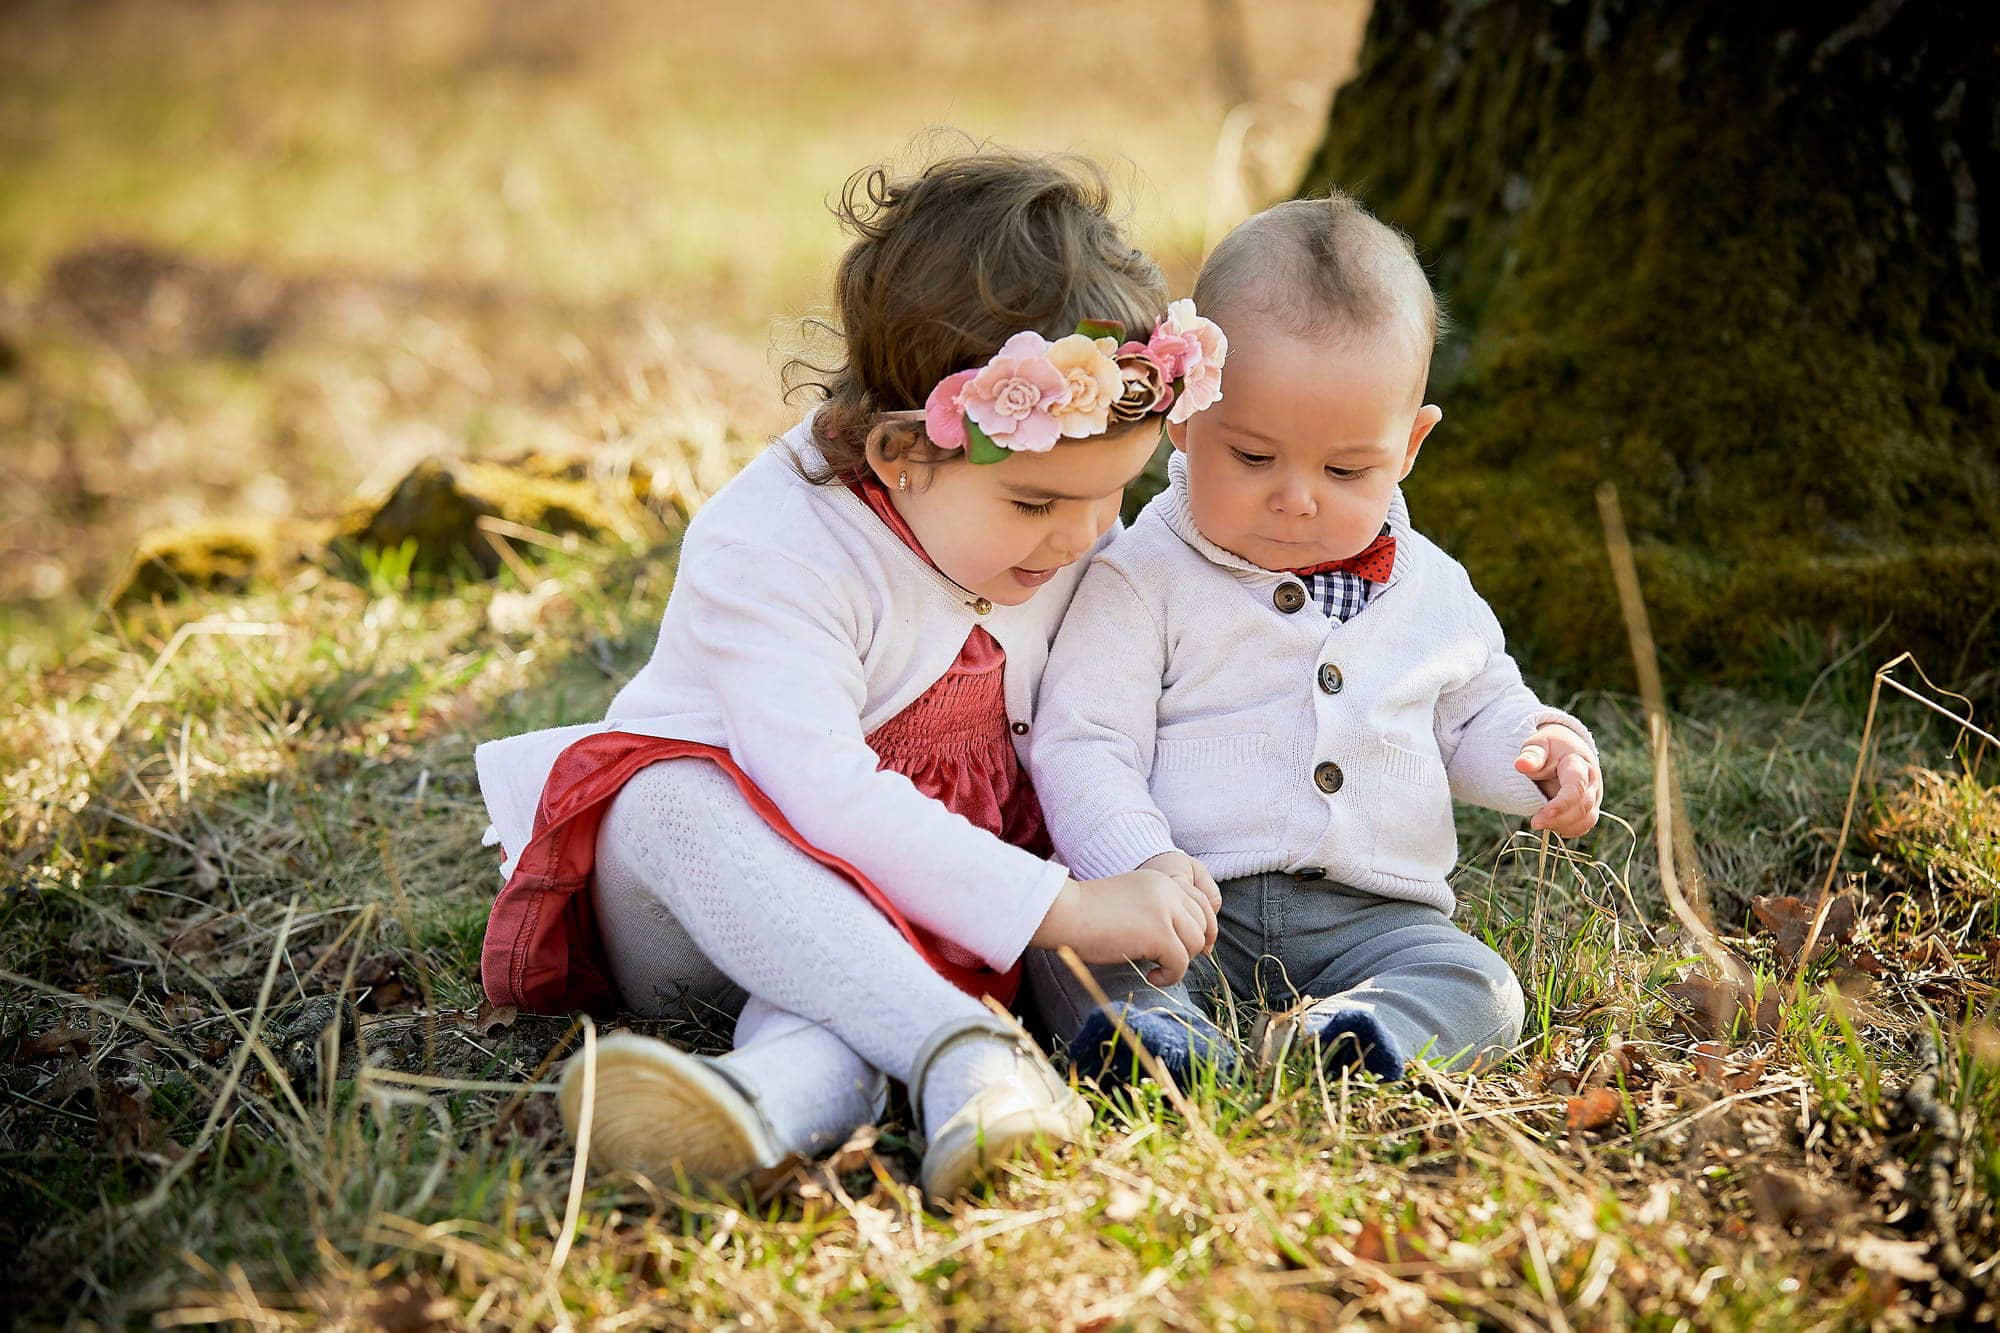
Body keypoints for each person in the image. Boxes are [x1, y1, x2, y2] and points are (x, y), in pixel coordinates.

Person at [472, 150, 1230, 1200]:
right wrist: (1061, 907)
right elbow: (821, 796)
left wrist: (1141, 858)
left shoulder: (1078, 534)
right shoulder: (773, 539)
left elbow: (1097, 727)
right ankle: (969, 1044)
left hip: (926, 906)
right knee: (662, 800)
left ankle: (765, 1104)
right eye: (1032, 506)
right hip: (715, 892)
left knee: (841, 988)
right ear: (898, 454)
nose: (1080, 539)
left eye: (1113, 495)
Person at [1026, 192, 1604, 1089]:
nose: (1296, 496)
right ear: (1184, 416)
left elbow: (1478, 710)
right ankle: (1163, 1051)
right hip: (1187, 905)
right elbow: (1083, 741)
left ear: (1409, 446)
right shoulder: (1141, 577)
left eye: (1345, 469)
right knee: (1072, 958)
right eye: (1252, 457)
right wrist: (1141, 862)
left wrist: (1536, 754)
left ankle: (1355, 1035)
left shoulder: (1433, 588)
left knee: (1481, 983)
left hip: (1373, 915)